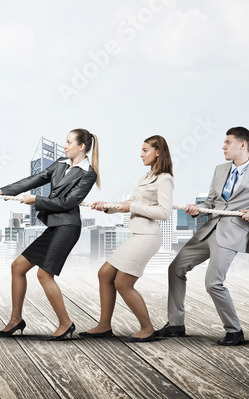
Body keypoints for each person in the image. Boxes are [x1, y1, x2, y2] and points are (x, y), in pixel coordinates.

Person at [157, 126, 249, 346]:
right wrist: (198, 208)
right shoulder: (220, 170)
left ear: (243, 145)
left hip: (231, 233)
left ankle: (234, 331)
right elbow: (212, 203)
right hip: (208, 230)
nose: (223, 146)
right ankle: (175, 324)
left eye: (228, 142)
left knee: (213, 283)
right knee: (176, 268)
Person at [0, 129, 99, 340]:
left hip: (68, 227)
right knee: (18, 266)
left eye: (69, 142)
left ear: (81, 146)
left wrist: (36, 201)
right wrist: (0, 191)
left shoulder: (88, 174)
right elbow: (35, 179)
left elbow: (67, 203)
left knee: (44, 274)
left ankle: (66, 324)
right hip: (54, 225)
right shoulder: (61, 163)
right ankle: (16, 320)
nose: (65, 146)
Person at [82, 135, 174, 342]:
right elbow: (132, 202)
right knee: (105, 274)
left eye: (145, 150)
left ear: (157, 152)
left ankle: (147, 328)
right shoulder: (148, 176)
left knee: (123, 283)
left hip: (148, 235)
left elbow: (164, 212)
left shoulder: (165, 179)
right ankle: (104, 326)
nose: (140, 154)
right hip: (138, 233)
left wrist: (132, 207)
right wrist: (107, 207)